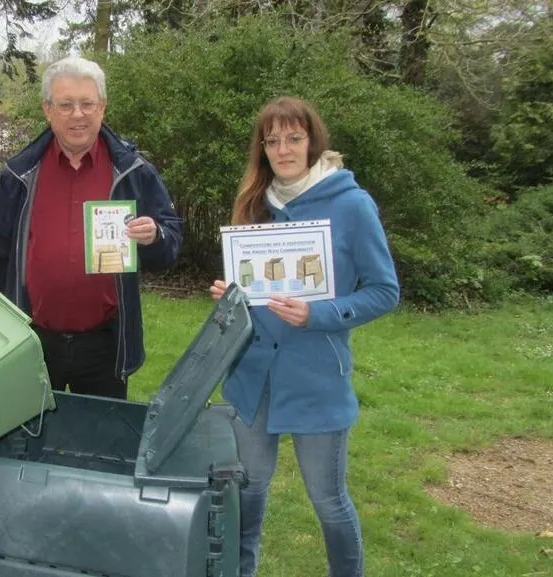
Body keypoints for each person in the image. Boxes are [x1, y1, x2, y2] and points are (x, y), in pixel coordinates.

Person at [210, 96, 399, 577]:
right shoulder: (254, 201)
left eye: (294, 138)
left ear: (313, 141)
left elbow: (383, 290)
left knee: (329, 501)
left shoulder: (351, 204)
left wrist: (319, 314)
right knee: (245, 497)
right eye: (272, 141)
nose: (283, 149)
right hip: (252, 377)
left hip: (316, 376)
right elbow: (250, 287)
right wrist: (229, 297)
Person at [0, 56, 182, 400]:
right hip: (34, 340)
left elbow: (171, 240)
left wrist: (155, 235)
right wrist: (1, 327)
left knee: (101, 446)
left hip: (105, 342)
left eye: (87, 104)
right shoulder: (18, 175)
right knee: (35, 445)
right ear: (47, 109)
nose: (77, 114)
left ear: (102, 107)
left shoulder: (133, 171)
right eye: (66, 104)